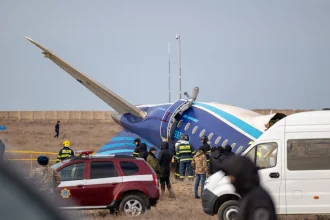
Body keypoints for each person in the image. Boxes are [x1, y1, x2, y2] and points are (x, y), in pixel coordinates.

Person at [221, 156, 277, 220]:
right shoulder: (248, 196)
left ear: (240, 175)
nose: (230, 179)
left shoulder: (258, 200)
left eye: (231, 175)